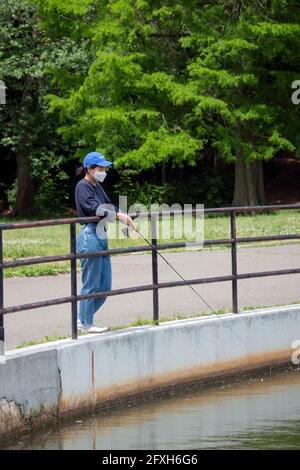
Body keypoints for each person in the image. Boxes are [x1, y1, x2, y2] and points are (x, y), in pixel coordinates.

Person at [75, 151, 135, 333]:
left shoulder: (97, 186)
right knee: (91, 284)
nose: (104, 171)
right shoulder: (82, 186)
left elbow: (108, 206)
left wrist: (124, 216)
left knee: (105, 286)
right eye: (101, 168)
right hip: (89, 236)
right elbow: (95, 208)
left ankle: (81, 319)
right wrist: (118, 215)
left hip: (101, 235)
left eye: (104, 168)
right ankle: (85, 323)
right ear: (90, 169)